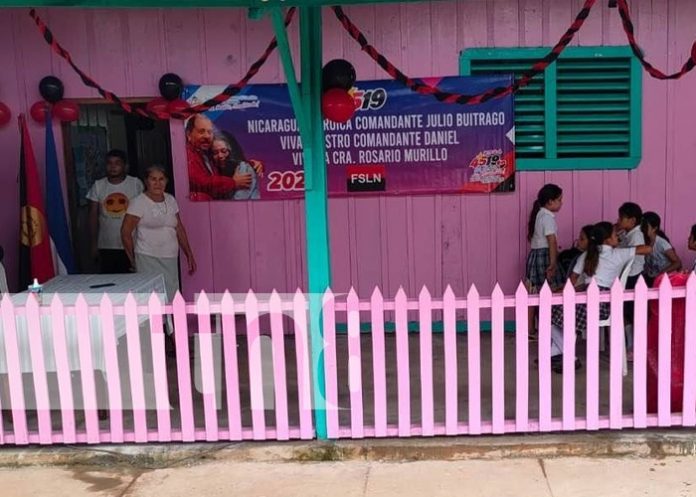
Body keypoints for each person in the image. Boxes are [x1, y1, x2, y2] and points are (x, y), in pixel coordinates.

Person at [549, 222, 652, 373]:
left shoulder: (586, 255)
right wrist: (641, 237)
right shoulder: (619, 253)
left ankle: (563, 356)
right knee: (564, 319)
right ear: (607, 240)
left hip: (586, 301)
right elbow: (648, 249)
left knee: (552, 319)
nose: (617, 236)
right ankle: (559, 356)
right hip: (604, 306)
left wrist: (560, 292)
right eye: (614, 234)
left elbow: (571, 281)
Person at [121, 165, 196, 302]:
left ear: (166, 181)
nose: (158, 183)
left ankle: (170, 324)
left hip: (170, 257)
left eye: (161, 179)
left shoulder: (170, 200)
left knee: (171, 295)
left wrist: (189, 254)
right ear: (146, 181)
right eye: (153, 179)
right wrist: (133, 259)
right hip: (147, 257)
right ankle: (155, 324)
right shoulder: (138, 203)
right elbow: (125, 233)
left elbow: (178, 227)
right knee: (151, 298)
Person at [86, 149, 144, 273]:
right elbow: (92, 217)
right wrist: (93, 245)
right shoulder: (98, 185)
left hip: (131, 243)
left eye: (117, 163)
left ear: (125, 166)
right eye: (109, 163)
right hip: (106, 244)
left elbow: (143, 212)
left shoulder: (135, 184)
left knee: (132, 283)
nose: (113, 167)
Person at [186, 115, 262, 200]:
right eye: (201, 131)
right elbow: (202, 182)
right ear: (189, 134)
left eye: (209, 132)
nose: (207, 136)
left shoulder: (204, 153)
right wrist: (233, 183)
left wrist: (253, 164)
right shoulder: (187, 154)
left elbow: (230, 160)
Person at [525, 184, 564, 338]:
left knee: (533, 293)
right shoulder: (547, 217)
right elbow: (552, 241)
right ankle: (550, 328)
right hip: (545, 256)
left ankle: (530, 330)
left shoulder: (539, 215)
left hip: (535, 255)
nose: (562, 203)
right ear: (550, 202)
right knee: (552, 291)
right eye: (559, 200)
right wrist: (553, 263)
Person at [211, 135, 260, 200]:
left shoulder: (244, 168)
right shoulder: (213, 170)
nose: (220, 155)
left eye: (224, 151)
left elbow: (239, 200)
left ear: (231, 151)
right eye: (215, 152)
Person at [641, 211, 681, 287]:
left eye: (645, 226)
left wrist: (662, 273)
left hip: (665, 279)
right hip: (651, 277)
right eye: (641, 226)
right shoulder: (642, 240)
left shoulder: (662, 243)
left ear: (654, 228)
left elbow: (677, 263)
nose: (642, 229)